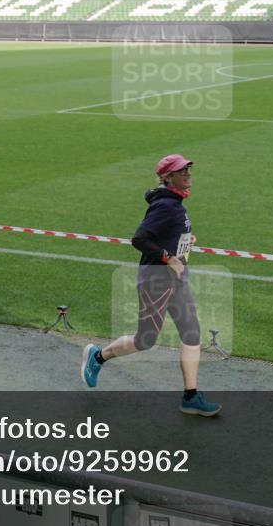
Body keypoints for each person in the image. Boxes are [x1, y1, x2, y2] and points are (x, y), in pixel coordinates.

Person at [80, 154, 221, 417]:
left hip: (176, 282)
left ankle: (190, 397)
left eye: (189, 169)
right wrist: (168, 258)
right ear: (168, 177)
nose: (189, 174)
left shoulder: (175, 203)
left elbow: (164, 235)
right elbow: (140, 238)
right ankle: (97, 357)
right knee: (145, 340)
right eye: (182, 171)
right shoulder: (165, 205)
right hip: (155, 281)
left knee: (192, 334)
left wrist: (183, 241)